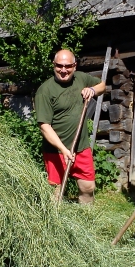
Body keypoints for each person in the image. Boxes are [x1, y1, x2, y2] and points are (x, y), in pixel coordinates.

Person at [35, 49, 106, 204]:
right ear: (54, 65)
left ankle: (87, 220)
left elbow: (102, 85)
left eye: (68, 66)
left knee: (88, 187)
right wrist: (63, 149)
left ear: (75, 66)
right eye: (59, 65)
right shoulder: (45, 91)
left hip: (81, 147)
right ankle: (56, 223)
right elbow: (44, 126)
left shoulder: (81, 78)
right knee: (56, 191)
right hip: (56, 151)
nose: (63, 70)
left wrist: (92, 90)